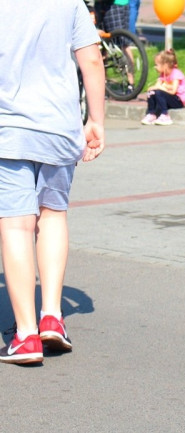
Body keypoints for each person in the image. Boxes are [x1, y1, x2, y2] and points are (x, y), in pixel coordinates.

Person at [0, 0, 105, 365]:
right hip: (60, 127)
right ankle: (52, 316)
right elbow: (91, 60)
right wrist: (96, 120)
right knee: (53, 215)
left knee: (16, 225)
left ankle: (26, 335)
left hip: (9, 127)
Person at [141, 49, 185, 126]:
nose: (155, 67)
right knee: (152, 92)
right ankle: (151, 114)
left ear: (165, 65)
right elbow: (157, 86)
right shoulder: (162, 74)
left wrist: (161, 88)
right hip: (168, 97)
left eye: (157, 65)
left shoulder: (176, 74)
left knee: (159, 93)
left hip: (178, 100)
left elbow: (173, 91)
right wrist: (151, 89)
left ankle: (165, 115)